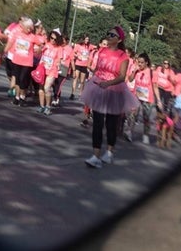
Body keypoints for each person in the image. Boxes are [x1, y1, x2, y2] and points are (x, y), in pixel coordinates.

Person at [81, 27, 139, 168]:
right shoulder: (102, 51)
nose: (109, 36)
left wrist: (108, 83)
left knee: (111, 124)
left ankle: (110, 152)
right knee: (98, 122)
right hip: (99, 87)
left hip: (114, 90)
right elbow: (99, 68)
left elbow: (122, 76)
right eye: (108, 33)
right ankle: (95, 155)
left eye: (112, 35)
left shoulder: (122, 56)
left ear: (119, 39)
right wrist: (94, 76)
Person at [2, 18, 42, 106]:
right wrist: (5, 51)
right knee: (17, 80)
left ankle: (22, 97)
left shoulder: (32, 36)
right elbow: (10, 43)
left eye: (30, 28)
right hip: (16, 60)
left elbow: (41, 44)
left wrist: (39, 49)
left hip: (27, 62)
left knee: (23, 80)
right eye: (27, 27)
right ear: (23, 27)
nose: (29, 29)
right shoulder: (17, 34)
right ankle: (17, 97)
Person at [125, 52, 162, 144]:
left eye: (141, 62)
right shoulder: (136, 71)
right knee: (133, 114)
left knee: (146, 118)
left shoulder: (152, 73)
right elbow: (130, 79)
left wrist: (159, 100)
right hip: (136, 96)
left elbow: (155, 87)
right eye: (138, 62)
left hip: (147, 99)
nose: (139, 64)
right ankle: (129, 132)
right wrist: (134, 71)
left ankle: (145, 135)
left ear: (146, 63)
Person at [36, 30, 62, 115]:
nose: (53, 40)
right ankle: (41, 106)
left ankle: (48, 107)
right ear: (49, 37)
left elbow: (59, 59)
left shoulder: (59, 48)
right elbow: (38, 53)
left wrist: (58, 64)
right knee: (41, 88)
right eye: (51, 38)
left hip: (52, 70)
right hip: (42, 69)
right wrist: (41, 47)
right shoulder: (46, 44)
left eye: (55, 39)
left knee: (47, 88)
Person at [52, 32, 74, 105]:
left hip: (64, 69)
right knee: (55, 84)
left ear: (67, 41)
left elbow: (72, 60)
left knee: (59, 84)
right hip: (56, 67)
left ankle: (55, 99)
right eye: (62, 39)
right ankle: (57, 97)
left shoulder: (70, 49)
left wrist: (74, 70)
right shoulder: (58, 47)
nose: (63, 41)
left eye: (64, 40)